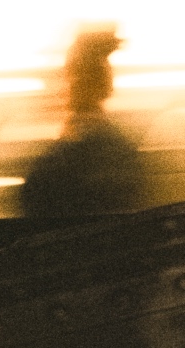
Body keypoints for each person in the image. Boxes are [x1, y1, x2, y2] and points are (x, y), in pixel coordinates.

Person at [20, 27, 156, 225]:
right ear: (108, 84)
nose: (64, 81)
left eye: (70, 73)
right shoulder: (116, 149)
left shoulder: (77, 154)